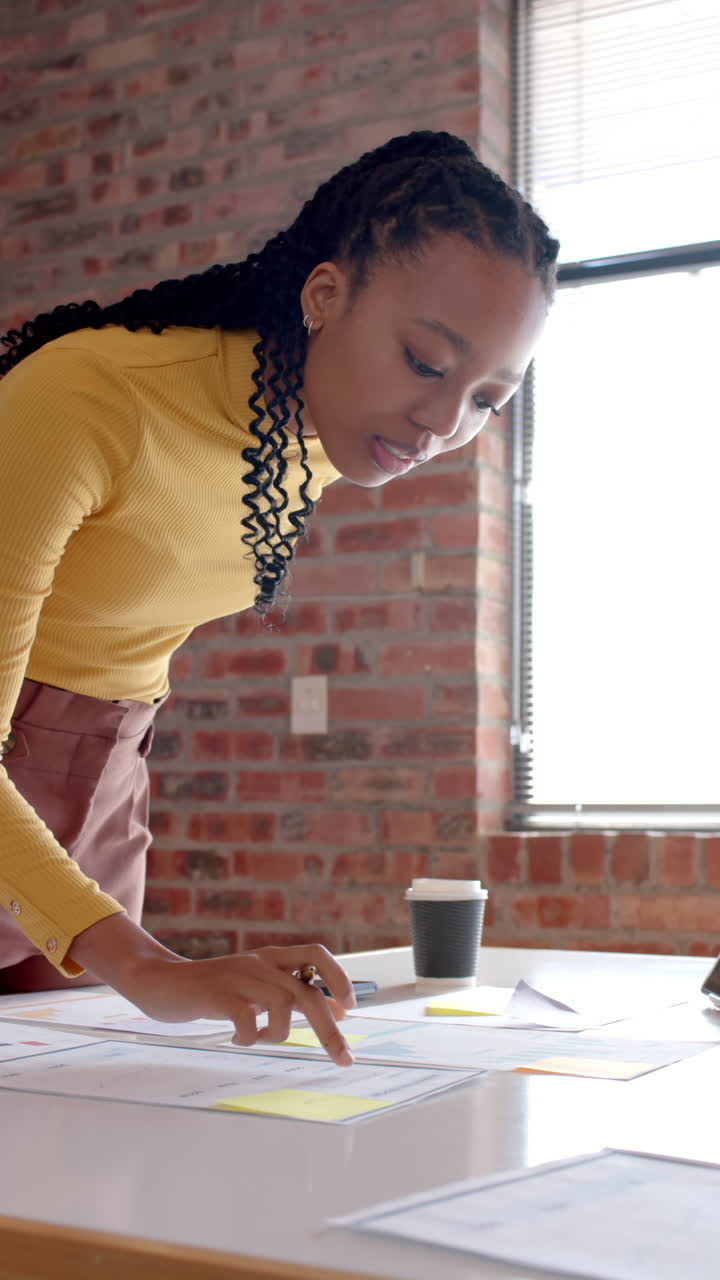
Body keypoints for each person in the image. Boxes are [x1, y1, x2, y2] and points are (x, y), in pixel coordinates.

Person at [0, 130, 558, 1065]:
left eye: (487, 401)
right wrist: (152, 966)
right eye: (426, 361)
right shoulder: (85, 398)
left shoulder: (313, 431)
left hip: (102, 781)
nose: (441, 422)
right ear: (325, 294)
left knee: (62, 1123)